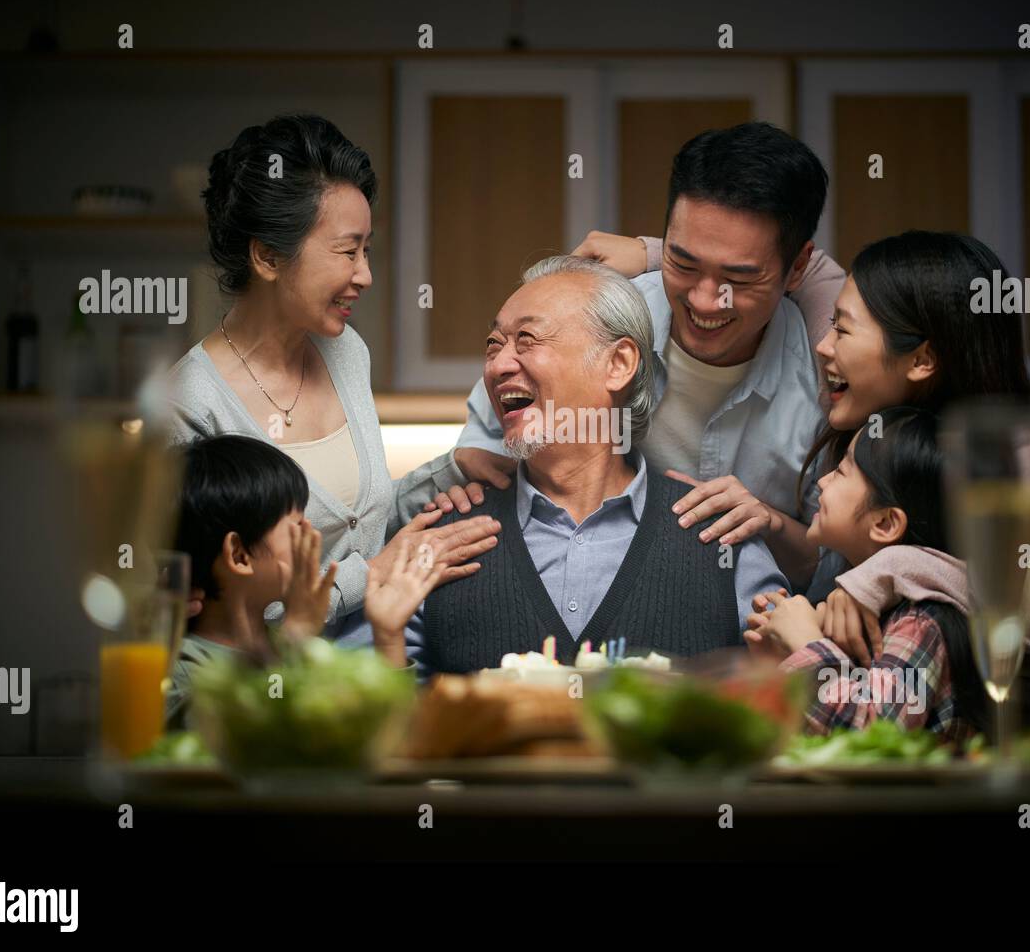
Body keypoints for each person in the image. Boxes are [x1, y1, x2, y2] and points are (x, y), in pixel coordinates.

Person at [351, 256, 789, 677]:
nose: (499, 365)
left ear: (617, 364)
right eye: (493, 346)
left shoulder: (722, 538)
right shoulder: (442, 539)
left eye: (527, 340)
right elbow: (395, 737)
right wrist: (386, 638)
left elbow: (787, 704)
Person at [448, 123, 843, 588]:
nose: (703, 300)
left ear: (797, 267)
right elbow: (482, 458)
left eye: (738, 280)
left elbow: (835, 564)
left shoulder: (829, 379)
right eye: (683, 263)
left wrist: (769, 525)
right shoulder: (593, 320)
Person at [166, 114, 503, 637]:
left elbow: (356, 525)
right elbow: (206, 613)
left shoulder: (346, 353)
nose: (364, 274)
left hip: (378, 663)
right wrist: (369, 576)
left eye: (367, 250)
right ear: (268, 256)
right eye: (348, 251)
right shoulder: (188, 403)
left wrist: (449, 471)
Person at [789, 231, 1030, 728]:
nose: (822, 344)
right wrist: (651, 253)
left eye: (843, 330)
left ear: (921, 359)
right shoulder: (880, 423)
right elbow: (790, 264)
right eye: (831, 322)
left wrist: (898, 565)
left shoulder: (1028, 448)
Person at [745, 407, 988, 741]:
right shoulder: (858, 609)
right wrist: (783, 660)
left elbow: (874, 732)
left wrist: (806, 642)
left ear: (885, 523)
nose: (822, 480)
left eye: (842, 471)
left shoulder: (921, 622)